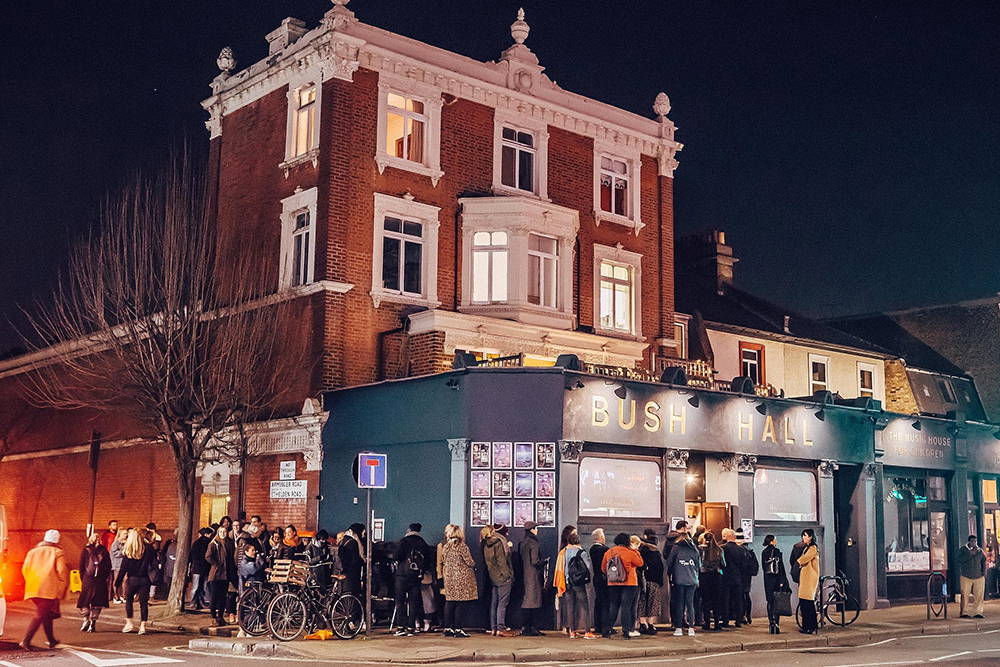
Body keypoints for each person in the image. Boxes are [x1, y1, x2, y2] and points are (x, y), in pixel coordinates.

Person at [19, 529, 69, 651]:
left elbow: (25, 569)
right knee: (41, 614)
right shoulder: (57, 552)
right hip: (49, 589)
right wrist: (61, 589)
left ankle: (52, 640)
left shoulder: (32, 552)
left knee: (46, 614)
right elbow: (62, 571)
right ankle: (26, 640)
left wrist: (32, 581)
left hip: (34, 587)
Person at [554, 528, 596, 639]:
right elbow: (588, 567)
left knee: (570, 607)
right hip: (578, 583)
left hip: (567, 583)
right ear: (578, 541)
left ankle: (572, 632)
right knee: (585, 606)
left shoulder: (563, 552)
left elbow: (561, 568)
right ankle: (587, 632)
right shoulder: (581, 552)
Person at [115, 527, 158, 635]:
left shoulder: (128, 549)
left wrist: (117, 582)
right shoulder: (148, 548)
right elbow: (153, 563)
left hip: (132, 579)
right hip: (144, 579)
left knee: (129, 600)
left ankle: (129, 622)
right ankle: (143, 626)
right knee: (143, 603)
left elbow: (123, 568)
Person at [601, 532, 644, 639]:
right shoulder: (630, 553)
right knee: (627, 607)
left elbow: (603, 568)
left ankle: (607, 630)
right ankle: (625, 632)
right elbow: (640, 563)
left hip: (613, 583)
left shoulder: (608, 552)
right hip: (629, 583)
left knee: (613, 607)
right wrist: (635, 550)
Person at [393, 523, 430, 636]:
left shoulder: (403, 541)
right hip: (415, 577)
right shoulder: (422, 543)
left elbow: (396, 556)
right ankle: (411, 627)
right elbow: (427, 561)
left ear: (409, 529)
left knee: (400, 601)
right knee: (414, 602)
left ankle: (400, 627)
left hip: (402, 576)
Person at [441, 524, 477, 638]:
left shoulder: (446, 546)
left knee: (450, 603)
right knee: (460, 604)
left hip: (449, 578)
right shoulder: (462, 546)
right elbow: (470, 562)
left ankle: (447, 628)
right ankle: (458, 629)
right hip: (461, 578)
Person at [666, 522, 700, 637]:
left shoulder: (676, 548)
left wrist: (670, 575)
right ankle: (691, 628)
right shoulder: (694, 549)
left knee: (679, 603)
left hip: (679, 579)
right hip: (692, 579)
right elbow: (698, 565)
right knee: (690, 604)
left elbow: (670, 563)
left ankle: (679, 628)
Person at [482, 523, 515, 636]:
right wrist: (508, 576)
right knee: (502, 603)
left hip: (493, 577)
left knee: (494, 603)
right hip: (502, 577)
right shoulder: (499, 543)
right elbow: (502, 562)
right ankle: (501, 628)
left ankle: (494, 628)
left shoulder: (486, 544)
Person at [77, 532, 112, 632]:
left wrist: (82, 578)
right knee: (97, 601)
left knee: (84, 600)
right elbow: (108, 566)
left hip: (88, 579)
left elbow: (81, 566)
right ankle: (93, 622)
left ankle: (85, 620)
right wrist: (104, 577)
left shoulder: (85, 550)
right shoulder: (104, 550)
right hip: (100, 580)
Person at [519, 520, 545, 636]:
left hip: (524, 574)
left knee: (527, 601)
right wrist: (543, 562)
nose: (537, 530)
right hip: (533, 575)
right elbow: (535, 561)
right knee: (534, 601)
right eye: (536, 528)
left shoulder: (523, 542)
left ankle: (525, 627)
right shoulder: (534, 543)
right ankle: (534, 628)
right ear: (532, 530)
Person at [761, 534, 789, 634]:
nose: (776, 541)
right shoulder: (776, 551)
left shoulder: (764, 552)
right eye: (775, 539)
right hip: (776, 579)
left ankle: (770, 623)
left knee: (769, 601)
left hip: (767, 579)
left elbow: (764, 568)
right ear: (771, 541)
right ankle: (776, 624)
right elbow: (780, 567)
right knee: (777, 602)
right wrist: (782, 581)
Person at [638, 529, 664, 635]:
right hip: (654, 581)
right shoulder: (656, 552)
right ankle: (651, 625)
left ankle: (643, 624)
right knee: (653, 603)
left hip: (643, 581)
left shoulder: (640, 551)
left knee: (642, 602)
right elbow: (660, 568)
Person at [205, 526, 232, 627]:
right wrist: (216, 564)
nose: (223, 534)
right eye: (221, 532)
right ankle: (213, 618)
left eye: (224, 532)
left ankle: (220, 617)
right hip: (216, 575)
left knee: (222, 597)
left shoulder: (228, 544)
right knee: (214, 597)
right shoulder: (214, 544)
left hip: (225, 575)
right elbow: (208, 556)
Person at [699, 530, 725, 632]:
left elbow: (699, 563)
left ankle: (707, 623)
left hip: (704, 577)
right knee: (717, 601)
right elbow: (723, 564)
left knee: (706, 601)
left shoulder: (701, 549)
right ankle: (717, 623)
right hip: (717, 576)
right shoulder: (719, 549)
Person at [719, 528, 745, 628]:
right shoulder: (741, 550)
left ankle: (725, 620)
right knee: (738, 600)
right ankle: (738, 621)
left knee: (725, 600)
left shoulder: (722, 548)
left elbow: (721, 563)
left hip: (725, 577)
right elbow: (744, 565)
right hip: (738, 578)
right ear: (734, 537)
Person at [796, 529, 820, 634]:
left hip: (810, 579)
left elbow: (804, 559)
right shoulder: (807, 548)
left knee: (808, 603)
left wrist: (798, 562)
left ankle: (812, 626)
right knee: (804, 603)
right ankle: (807, 626)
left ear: (810, 537)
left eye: (805, 536)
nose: (803, 538)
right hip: (805, 579)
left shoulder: (813, 548)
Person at [958, 534, 987, 619]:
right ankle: (964, 612)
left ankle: (978, 612)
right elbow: (959, 560)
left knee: (979, 596)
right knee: (965, 595)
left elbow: (983, 561)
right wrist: (970, 554)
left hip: (979, 576)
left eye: (975, 541)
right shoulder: (963, 550)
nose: (974, 543)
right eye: (972, 541)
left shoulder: (980, 551)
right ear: (969, 542)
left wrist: (983, 573)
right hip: (966, 576)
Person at [590, 528, 610, 636]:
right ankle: (605, 626)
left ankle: (597, 625)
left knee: (598, 602)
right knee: (605, 602)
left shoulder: (592, 549)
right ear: (602, 538)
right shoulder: (605, 550)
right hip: (604, 578)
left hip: (596, 577)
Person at [736, 529, 759, 624]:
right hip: (747, 576)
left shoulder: (740, 550)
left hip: (741, 576)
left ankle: (742, 615)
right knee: (746, 595)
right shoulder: (750, 550)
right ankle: (748, 615)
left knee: (741, 597)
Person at [339, 523, 366, 597]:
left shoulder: (343, 540)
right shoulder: (353, 542)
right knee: (353, 596)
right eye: (363, 532)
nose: (363, 534)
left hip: (344, 573)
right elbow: (355, 560)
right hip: (352, 575)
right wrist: (363, 561)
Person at [189, 527, 212, 610]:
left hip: (197, 568)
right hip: (205, 568)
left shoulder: (196, 543)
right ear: (206, 534)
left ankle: (194, 602)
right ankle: (200, 602)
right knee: (203, 586)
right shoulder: (209, 543)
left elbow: (193, 556)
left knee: (196, 586)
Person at [100, 521, 118, 603]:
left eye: (116, 525)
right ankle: (107, 595)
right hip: (108, 557)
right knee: (108, 578)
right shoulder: (106, 535)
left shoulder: (118, 535)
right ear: (109, 526)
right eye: (114, 525)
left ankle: (114, 595)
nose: (115, 526)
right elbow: (103, 546)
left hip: (115, 559)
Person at [110, 528, 127, 604]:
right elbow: (114, 553)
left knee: (125, 579)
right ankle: (116, 596)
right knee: (117, 580)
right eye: (124, 534)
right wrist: (123, 552)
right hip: (117, 564)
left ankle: (123, 595)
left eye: (126, 533)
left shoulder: (127, 542)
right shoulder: (116, 543)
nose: (126, 535)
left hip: (125, 564)